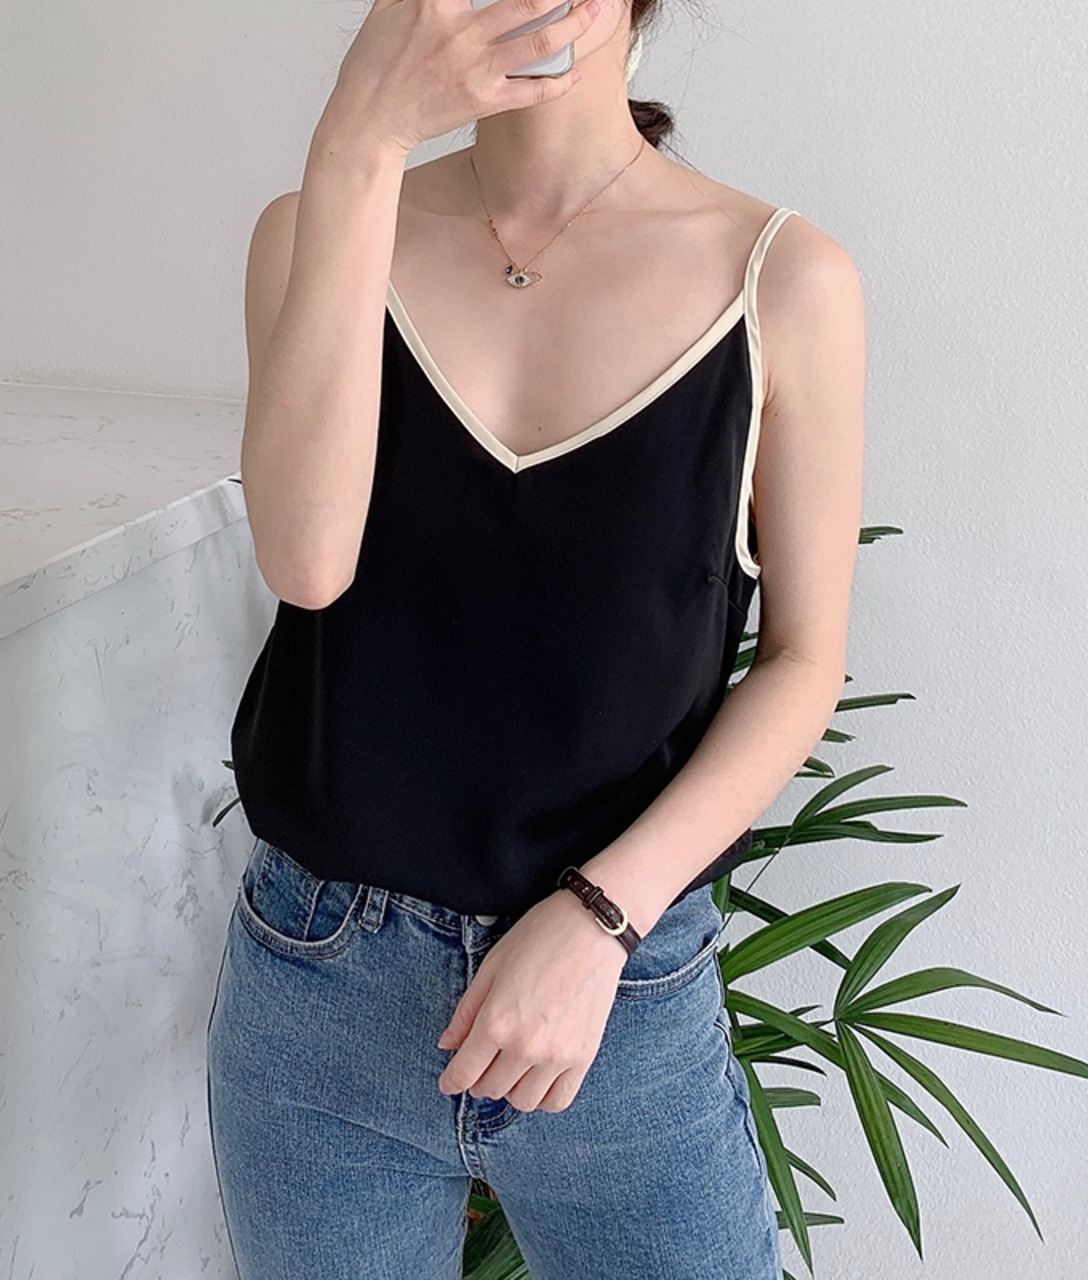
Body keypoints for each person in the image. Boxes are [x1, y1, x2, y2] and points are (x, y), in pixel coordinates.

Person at [207, 1, 865, 1276]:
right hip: (314, 986)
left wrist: (601, 917)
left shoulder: (780, 280)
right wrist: (356, 143)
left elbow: (801, 658)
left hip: (616, 997)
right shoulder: (313, 229)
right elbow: (306, 561)